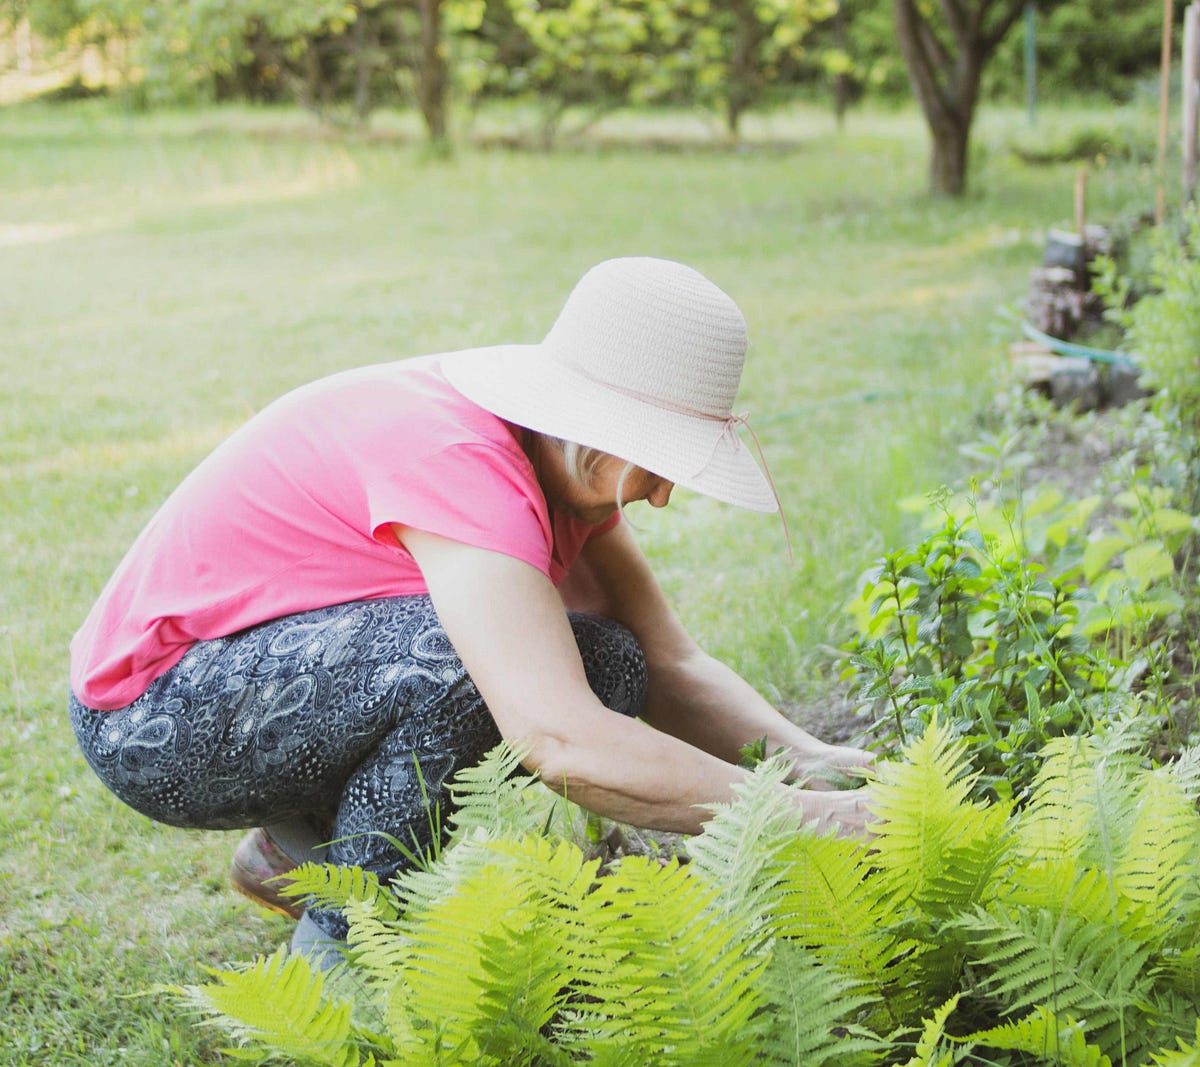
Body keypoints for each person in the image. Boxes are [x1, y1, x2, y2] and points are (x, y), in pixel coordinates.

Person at [68, 256, 873, 964]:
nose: (663, 494)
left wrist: (832, 770)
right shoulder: (461, 464)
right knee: (463, 672)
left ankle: (295, 850)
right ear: (594, 428)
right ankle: (352, 946)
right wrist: (810, 818)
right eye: (660, 460)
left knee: (610, 660)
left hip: (256, 680)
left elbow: (671, 663)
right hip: (152, 716)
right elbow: (559, 737)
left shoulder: (561, 470)